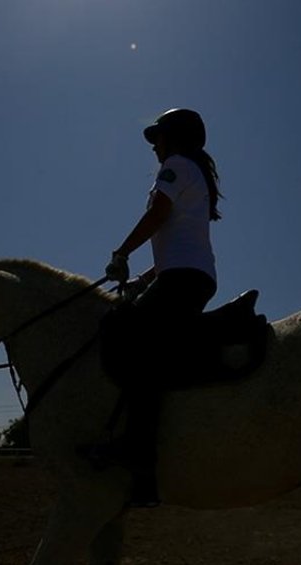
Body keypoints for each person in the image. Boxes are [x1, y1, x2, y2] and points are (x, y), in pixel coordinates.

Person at [103, 108, 224, 507]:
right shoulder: (194, 173)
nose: (154, 146)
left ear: (174, 139)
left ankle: (141, 461)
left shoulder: (175, 165)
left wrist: (121, 252)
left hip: (184, 278)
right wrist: (143, 278)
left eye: (159, 138)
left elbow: (158, 214)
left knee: (128, 335)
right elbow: (178, 243)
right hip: (186, 275)